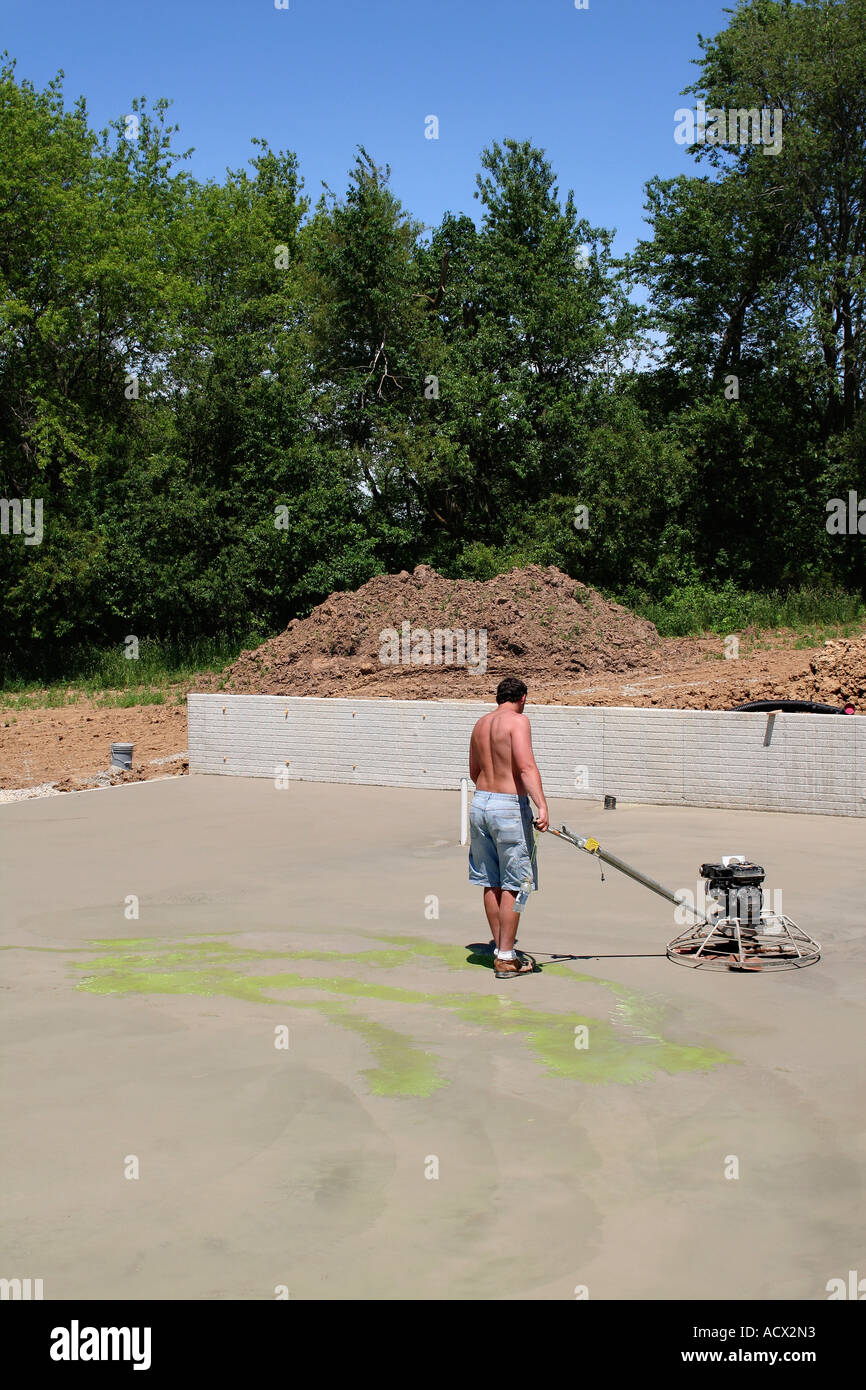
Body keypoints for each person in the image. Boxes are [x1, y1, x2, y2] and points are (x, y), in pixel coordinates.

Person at [467, 676, 549, 979]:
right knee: (515, 882)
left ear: (498, 697)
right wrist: (542, 805)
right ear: (523, 698)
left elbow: (475, 771)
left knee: (491, 880)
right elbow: (526, 767)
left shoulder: (480, 723)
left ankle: (502, 949)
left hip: (480, 805)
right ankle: (505, 956)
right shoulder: (518, 721)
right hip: (508, 806)